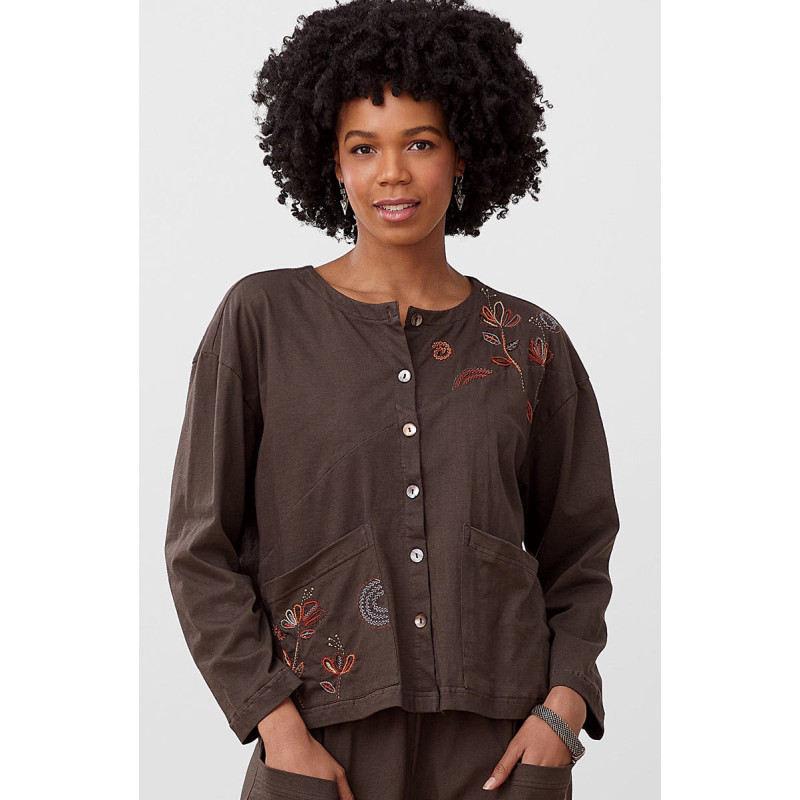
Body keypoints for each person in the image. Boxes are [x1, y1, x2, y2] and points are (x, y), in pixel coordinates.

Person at [164, 1, 620, 799]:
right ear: (333, 163)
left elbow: (580, 547)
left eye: (421, 143)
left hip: (500, 751)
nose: (392, 173)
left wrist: (564, 707)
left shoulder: (529, 341)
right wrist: (276, 724)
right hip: (320, 743)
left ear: (464, 153)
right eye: (363, 147)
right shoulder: (262, 319)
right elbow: (200, 548)